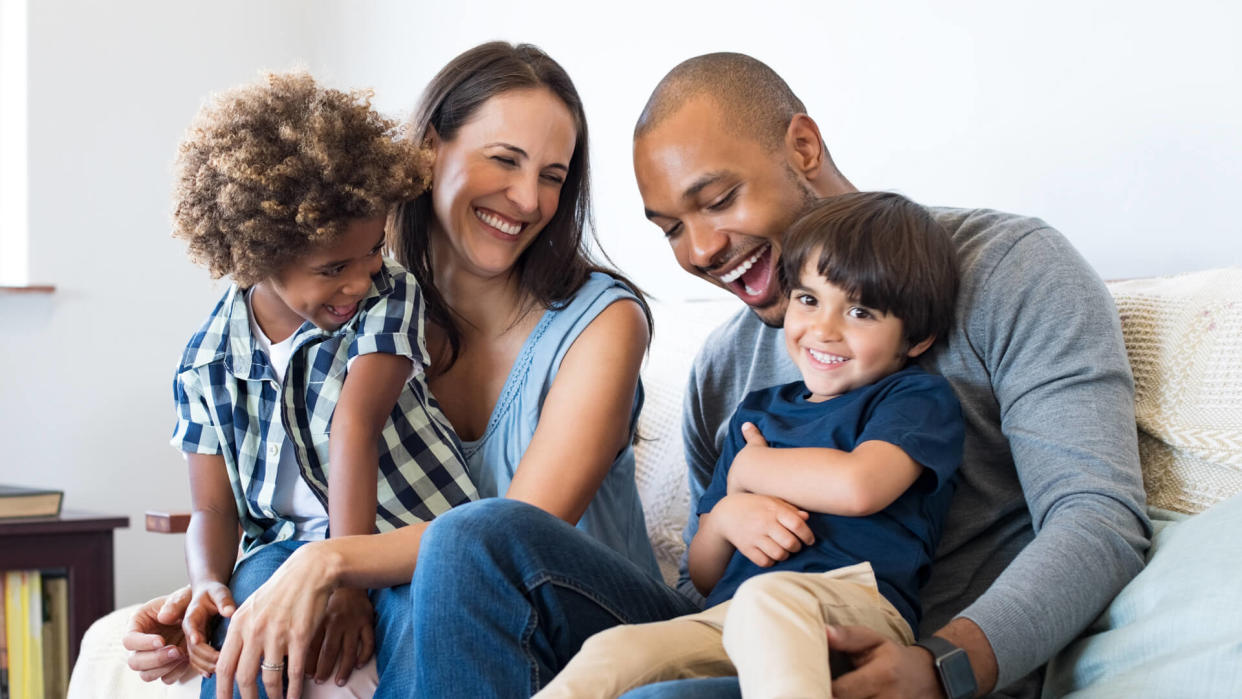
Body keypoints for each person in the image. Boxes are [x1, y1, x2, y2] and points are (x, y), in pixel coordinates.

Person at [407, 52, 1151, 699]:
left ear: (801, 145)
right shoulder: (724, 368)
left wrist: (942, 665)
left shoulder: (1009, 269)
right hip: (733, 635)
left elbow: (1099, 517)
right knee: (474, 538)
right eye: (669, 227)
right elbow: (708, 575)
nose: (699, 250)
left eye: (719, 199)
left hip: (894, 651)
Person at [124, 42, 659, 699]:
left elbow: (508, 541)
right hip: (440, 605)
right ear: (429, 150)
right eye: (505, 160)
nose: (528, 198)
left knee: (454, 562)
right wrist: (222, 597)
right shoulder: (347, 302)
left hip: (578, 621)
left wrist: (330, 564)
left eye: (553, 175)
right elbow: (256, 497)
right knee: (269, 614)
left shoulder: (602, 322)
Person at [536, 191, 965, 699]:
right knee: (614, 651)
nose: (823, 330)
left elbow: (859, 486)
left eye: (861, 312)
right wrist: (724, 520)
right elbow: (702, 570)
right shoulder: (758, 412)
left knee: (769, 600)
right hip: (731, 612)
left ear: (915, 339)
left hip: (853, 605)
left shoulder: (913, 397)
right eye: (809, 300)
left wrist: (750, 472)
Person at [165, 71, 476, 699]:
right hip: (283, 548)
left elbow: (353, 428)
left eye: (369, 254)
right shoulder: (206, 362)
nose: (358, 281)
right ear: (257, 255)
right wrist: (206, 583)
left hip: (403, 536)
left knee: (424, 617)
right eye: (333, 268)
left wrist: (347, 581)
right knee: (248, 612)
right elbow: (212, 508)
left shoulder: (389, 294)